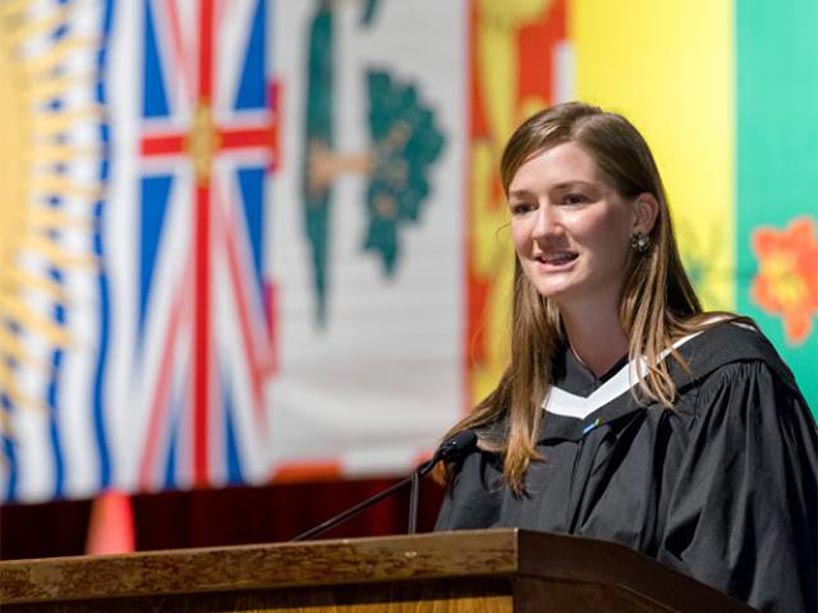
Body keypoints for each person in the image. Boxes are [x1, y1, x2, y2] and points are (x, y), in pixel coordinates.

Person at [434, 102, 817, 613]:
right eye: (523, 207)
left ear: (640, 215)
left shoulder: (724, 385)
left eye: (572, 199)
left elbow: (762, 589)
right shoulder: (502, 436)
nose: (542, 228)